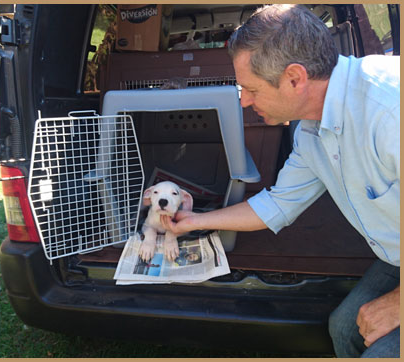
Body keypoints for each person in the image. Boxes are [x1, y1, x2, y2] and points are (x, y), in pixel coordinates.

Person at [161, 4, 400, 358]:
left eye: (251, 89)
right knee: (344, 327)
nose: (244, 101)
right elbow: (277, 204)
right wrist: (195, 222)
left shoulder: (390, 110)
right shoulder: (310, 129)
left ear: (294, 78)